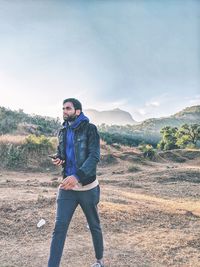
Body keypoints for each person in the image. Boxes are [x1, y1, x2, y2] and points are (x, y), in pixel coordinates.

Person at [47, 98, 104, 267]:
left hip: (88, 187)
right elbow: (63, 153)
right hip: (67, 188)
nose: (64, 111)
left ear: (77, 111)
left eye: (68, 108)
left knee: (94, 225)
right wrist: (59, 159)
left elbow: (94, 157)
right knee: (59, 228)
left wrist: (77, 176)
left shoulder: (90, 129)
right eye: (63, 108)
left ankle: (99, 261)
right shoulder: (62, 131)